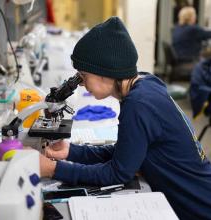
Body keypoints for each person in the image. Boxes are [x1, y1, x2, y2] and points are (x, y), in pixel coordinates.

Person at [40, 17, 211, 220]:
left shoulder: (138, 104)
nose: (82, 84)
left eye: (84, 76)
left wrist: (53, 169)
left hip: (198, 207)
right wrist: (72, 151)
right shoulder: (146, 83)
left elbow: (118, 173)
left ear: (105, 72)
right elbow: (127, 153)